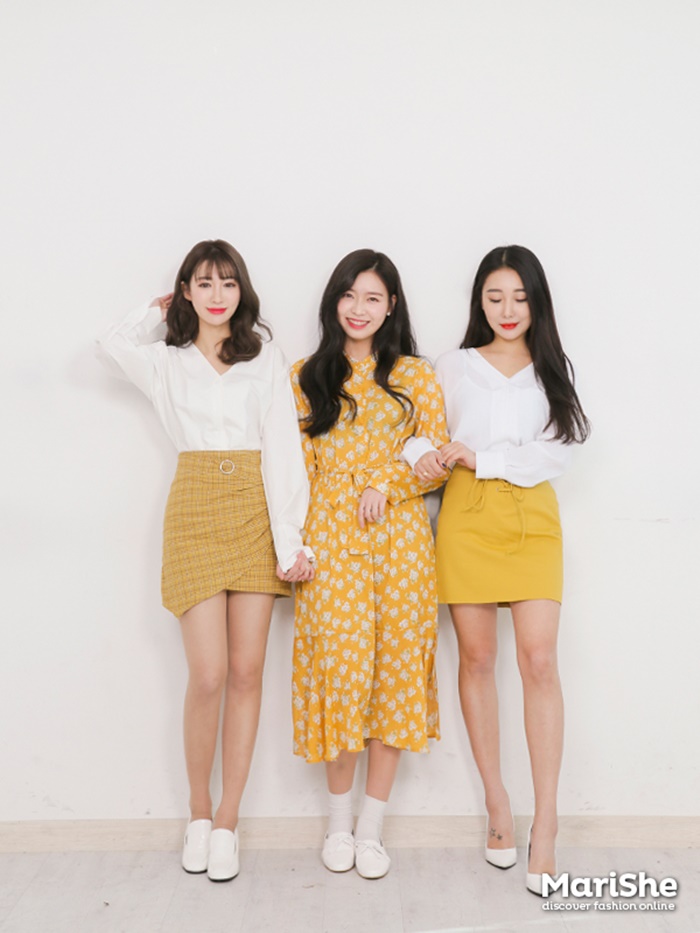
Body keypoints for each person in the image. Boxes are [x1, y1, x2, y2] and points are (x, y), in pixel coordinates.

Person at [98, 239, 314, 882]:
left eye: (228, 283)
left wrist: (290, 539)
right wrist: (153, 311)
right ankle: (197, 813)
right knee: (210, 674)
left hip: (255, 509)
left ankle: (227, 821)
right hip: (194, 508)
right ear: (186, 291)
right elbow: (108, 346)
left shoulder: (265, 357)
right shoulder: (165, 361)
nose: (217, 295)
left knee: (247, 672)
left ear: (242, 291)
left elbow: (283, 450)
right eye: (204, 283)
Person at [403, 245, 590, 896]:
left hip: (532, 514)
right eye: (495, 296)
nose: (508, 309)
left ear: (537, 302)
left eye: (520, 297)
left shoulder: (553, 365)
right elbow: (416, 432)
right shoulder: (451, 365)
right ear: (478, 301)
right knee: (477, 659)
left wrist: (482, 459)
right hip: (465, 515)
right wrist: (428, 455)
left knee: (540, 660)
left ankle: (547, 823)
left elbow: (559, 449)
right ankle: (497, 804)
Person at [283, 249, 449, 880]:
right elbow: (291, 471)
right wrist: (293, 544)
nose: (359, 309)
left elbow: (435, 460)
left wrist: (385, 480)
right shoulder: (304, 376)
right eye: (349, 296)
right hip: (329, 542)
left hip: (402, 545)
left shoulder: (416, 376)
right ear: (334, 301)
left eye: (373, 298)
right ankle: (338, 824)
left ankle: (372, 829)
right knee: (341, 673)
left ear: (391, 306)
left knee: (395, 675)